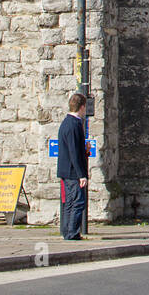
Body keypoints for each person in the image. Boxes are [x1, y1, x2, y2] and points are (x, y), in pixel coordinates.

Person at [57, 92, 88, 240]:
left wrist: (85, 149)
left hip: (66, 169)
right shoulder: (74, 124)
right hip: (72, 171)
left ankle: (66, 231)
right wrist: (81, 174)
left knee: (69, 202)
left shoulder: (66, 122)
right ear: (82, 107)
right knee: (78, 202)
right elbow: (74, 152)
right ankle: (72, 233)